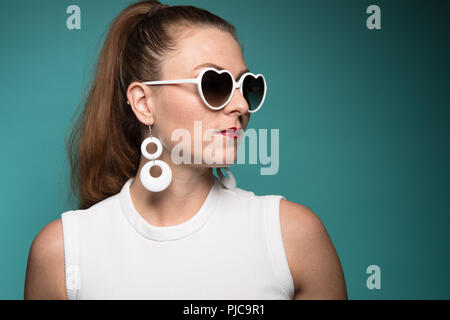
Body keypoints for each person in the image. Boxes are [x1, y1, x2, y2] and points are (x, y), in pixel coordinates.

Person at [24, 0, 347, 300]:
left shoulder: (293, 236)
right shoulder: (62, 251)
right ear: (143, 103)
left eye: (246, 86)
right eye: (214, 84)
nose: (240, 105)